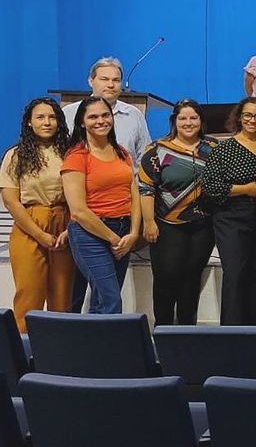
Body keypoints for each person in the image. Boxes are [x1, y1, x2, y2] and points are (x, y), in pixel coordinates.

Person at [62, 57, 150, 315]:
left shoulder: (121, 151)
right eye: (93, 117)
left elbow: (133, 189)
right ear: (82, 122)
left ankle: (94, 340)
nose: (100, 121)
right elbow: (79, 210)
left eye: (105, 116)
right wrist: (113, 239)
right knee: (111, 300)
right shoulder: (76, 156)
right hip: (91, 232)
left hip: (122, 228)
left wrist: (132, 233)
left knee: (103, 300)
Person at [137, 99, 216, 327]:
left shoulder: (213, 148)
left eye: (193, 118)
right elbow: (146, 188)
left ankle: (187, 330)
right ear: (174, 121)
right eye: (182, 118)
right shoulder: (156, 150)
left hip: (202, 224)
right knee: (167, 277)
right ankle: (163, 329)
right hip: (166, 225)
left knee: (192, 277)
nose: (188, 123)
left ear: (201, 121)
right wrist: (149, 222)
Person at [0, 97, 74, 330]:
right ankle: (23, 345)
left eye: (52, 117)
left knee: (62, 298)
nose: (47, 122)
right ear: (29, 122)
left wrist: (70, 229)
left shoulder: (70, 152)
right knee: (29, 294)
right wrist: (40, 235)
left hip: (64, 224)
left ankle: (59, 347)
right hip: (29, 224)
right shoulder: (16, 155)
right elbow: (11, 201)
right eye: (40, 117)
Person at [199, 96, 256, 325]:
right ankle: (231, 331)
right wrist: (248, 189)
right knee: (235, 273)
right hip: (231, 217)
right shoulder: (224, 149)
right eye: (248, 115)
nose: (253, 120)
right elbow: (210, 187)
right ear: (239, 117)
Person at [62, 57, 151, 161]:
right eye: (104, 79)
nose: (111, 85)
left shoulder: (134, 114)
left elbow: (145, 156)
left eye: (116, 80)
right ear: (90, 81)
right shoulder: (69, 112)